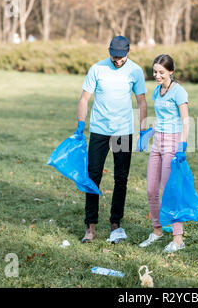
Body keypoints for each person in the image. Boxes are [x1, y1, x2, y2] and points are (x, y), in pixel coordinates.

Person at [75, 36, 148, 243]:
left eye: (121, 57)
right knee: (93, 177)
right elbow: (84, 98)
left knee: (121, 178)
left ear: (128, 53)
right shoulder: (97, 69)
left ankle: (115, 224)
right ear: (109, 52)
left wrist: (142, 130)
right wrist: (81, 124)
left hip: (123, 131)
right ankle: (90, 227)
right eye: (114, 57)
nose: (117, 61)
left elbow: (141, 101)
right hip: (99, 130)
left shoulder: (135, 70)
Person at [138, 54, 189, 253]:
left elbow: (185, 120)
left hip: (173, 144)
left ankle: (178, 239)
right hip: (157, 143)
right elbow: (160, 116)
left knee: (170, 190)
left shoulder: (179, 92)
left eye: (161, 72)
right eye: (155, 72)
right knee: (151, 190)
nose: (157, 76)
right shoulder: (156, 91)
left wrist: (182, 146)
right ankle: (157, 231)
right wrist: (149, 130)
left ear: (170, 72)